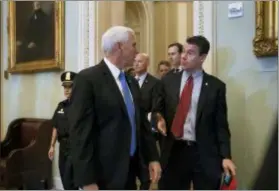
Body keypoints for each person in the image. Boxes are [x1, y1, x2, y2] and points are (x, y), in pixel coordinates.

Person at [68, 26, 161, 190]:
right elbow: (80, 134)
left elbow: (141, 124)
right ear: (119, 46)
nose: (136, 50)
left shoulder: (131, 81)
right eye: (133, 45)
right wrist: (87, 180)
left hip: (131, 171)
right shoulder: (88, 80)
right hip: (103, 175)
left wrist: (153, 157)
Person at [156, 35, 236, 190]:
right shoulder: (168, 81)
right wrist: (157, 118)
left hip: (204, 154)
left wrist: (226, 156)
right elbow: (157, 110)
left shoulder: (215, 86)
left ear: (202, 57)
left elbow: (221, 126)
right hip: (174, 152)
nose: (184, 56)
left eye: (190, 53)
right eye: (184, 52)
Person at [133, 53, 165, 189]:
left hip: (146, 129)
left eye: (139, 61)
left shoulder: (155, 83)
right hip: (131, 130)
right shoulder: (129, 80)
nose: (136, 64)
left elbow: (156, 107)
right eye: (135, 61)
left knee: (145, 170)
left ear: (147, 64)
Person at [48, 71, 78, 190]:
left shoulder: (79, 106)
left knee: (71, 178)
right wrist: (52, 145)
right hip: (63, 146)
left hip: (74, 146)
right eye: (65, 87)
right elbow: (55, 126)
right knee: (64, 175)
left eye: (70, 86)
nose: (67, 90)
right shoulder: (61, 105)